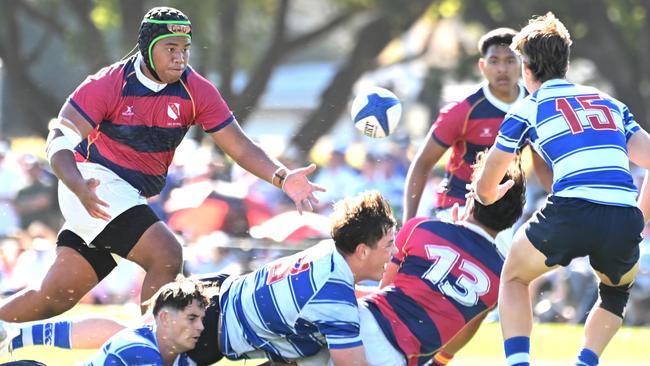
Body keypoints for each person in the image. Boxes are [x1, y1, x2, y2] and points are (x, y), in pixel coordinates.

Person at [0, 6, 324, 323]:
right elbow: (58, 139)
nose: (180, 57)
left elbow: (238, 145)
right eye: (171, 48)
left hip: (120, 196)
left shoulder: (196, 89)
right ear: (147, 47)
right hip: (91, 183)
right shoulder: (109, 82)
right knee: (166, 253)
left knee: (53, 297)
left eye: (185, 49)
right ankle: (152, 351)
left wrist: (282, 177)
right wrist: (76, 184)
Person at [3, 190, 397, 366]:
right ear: (361, 250)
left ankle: (21, 338)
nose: (393, 253)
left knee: (134, 332)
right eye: (388, 245)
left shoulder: (329, 252)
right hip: (214, 326)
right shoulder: (336, 298)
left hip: (221, 288)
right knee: (141, 343)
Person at [472, 13, 650, 366]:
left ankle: (520, 364)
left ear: (526, 68)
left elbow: (491, 172)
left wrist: (484, 196)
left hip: (571, 211)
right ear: (565, 62)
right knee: (615, 294)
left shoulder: (528, 107)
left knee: (514, 278)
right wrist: (639, 216)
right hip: (621, 219)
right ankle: (585, 362)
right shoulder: (608, 102)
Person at [351, 152, 526, 366]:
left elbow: (386, 292)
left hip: (362, 328)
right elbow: (466, 326)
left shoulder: (422, 227)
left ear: (473, 194)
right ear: (513, 217)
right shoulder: (500, 276)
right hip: (401, 358)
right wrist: (440, 362)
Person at [403, 27, 545, 226]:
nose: (502, 69)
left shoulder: (533, 107)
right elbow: (422, 163)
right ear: (482, 66)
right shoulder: (463, 110)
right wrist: (408, 223)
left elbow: (542, 166)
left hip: (503, 213)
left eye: (510, 60)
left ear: (522, 64)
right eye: (494, 61)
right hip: (457, 207)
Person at [84, 276, 207, 366]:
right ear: (166, 318)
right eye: (192, 318)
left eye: (202, 319)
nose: (201, 327)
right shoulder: (138, 348)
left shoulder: (184, 361)